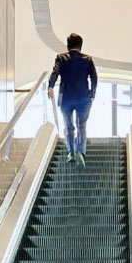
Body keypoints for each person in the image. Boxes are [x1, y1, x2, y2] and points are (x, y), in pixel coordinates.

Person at [48, 33, 98, 166]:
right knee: (82, 125)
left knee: (68, 125)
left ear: (68, 46)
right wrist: (92, 94)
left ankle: (70, 151)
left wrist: (50, 87)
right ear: (81, 46)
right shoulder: (87, 59)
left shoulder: (61, 58)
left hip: (66, 98)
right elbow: (94, 77)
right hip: (83, 98)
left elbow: (55, 73)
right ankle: (80, 151)